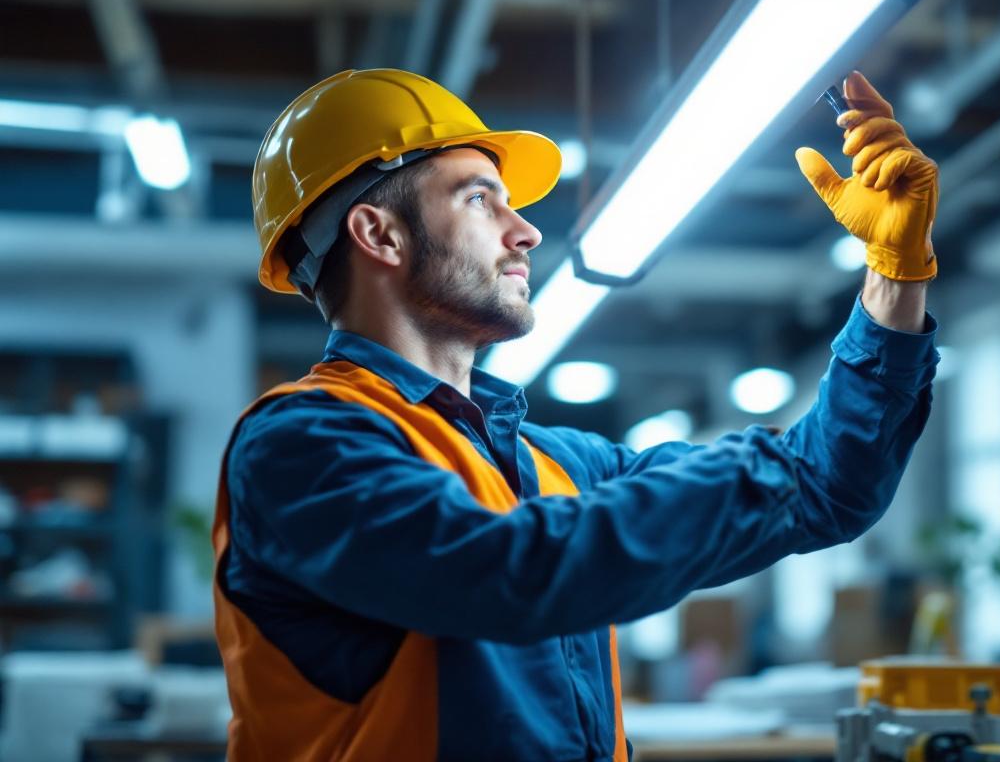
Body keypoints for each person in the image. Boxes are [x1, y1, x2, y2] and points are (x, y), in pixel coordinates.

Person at [214, 67, 940, 761]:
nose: (526, 232)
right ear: (380, 235)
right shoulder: (300, 444)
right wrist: (756, 472)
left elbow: (827, 487)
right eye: (479, 200)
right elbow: (508, 574)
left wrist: (894, 275)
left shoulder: (549, 462)